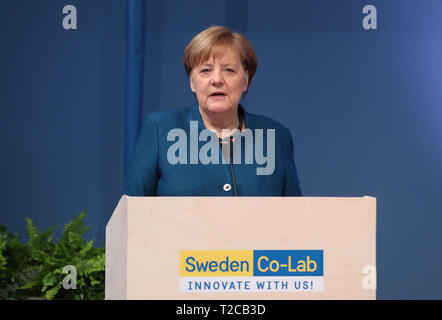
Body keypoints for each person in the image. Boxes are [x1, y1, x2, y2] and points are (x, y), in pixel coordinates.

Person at [122, 26, 302, 196]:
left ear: (245, 81)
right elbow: (132, 213)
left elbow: (296, 218)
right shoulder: (160, 129)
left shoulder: (276, 137)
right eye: (206, 70)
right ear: (192, 82)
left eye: (229, 70)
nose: (217, 79)